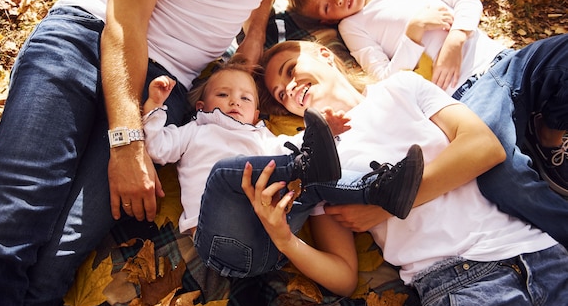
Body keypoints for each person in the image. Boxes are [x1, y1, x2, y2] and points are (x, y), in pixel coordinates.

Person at [0, 0, 318, 306]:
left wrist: (255, 34)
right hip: (87, 40)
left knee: (56, 260)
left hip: (166, 83)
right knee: (8, 231)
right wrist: (126, 142)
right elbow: (124, 23)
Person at [194, 37, 568, 306]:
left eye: (291, 71)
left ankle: (382, 189)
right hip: (462, 285)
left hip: (539, 251)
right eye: (281, 92)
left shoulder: (401, 87)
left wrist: (384, 208)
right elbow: (344, 277)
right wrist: (285, 240)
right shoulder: (312, 153)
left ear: (324, 54)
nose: (290, 87)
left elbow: (484, 147)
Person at [285, 0, 568, 195]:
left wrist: (455, 40)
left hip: (503, 59)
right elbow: (386, 78)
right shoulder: (353, 26)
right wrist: (413, 33)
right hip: (469, 92)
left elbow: (466, 1)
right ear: (326, 22)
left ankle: (548, 133)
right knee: (501, 174)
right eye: (326, 7)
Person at [142, 56, 424, 235]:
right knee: (231, 171)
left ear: (256, 115)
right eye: (223, 94)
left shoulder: (260, 139)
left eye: (245, 98)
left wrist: (323, 131)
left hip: (267, 233)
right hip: (216, 229)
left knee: (307, 173)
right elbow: (156, 148)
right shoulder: (195, 131)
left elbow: (290, 146)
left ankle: (376, 189)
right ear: (202, 106)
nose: (234, 102)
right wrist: (155, 106)